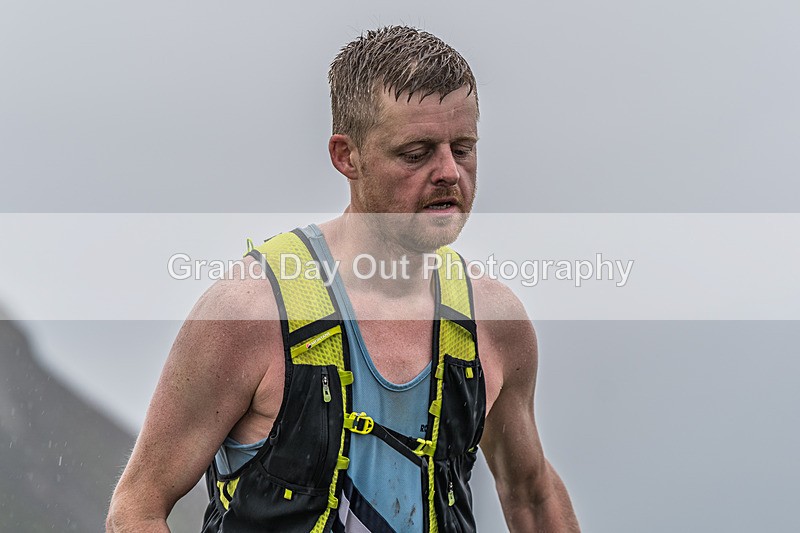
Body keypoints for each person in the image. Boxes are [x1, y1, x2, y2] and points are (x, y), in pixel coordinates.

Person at [106, 26, 580, 532]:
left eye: (462, 148)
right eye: (416, 153)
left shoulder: (493, 321)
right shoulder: (251, 312)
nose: (448, 172)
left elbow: (530, 495)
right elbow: (136, 507)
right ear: (346, 156)